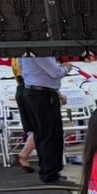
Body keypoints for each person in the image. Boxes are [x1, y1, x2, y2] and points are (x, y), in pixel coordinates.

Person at [17, 55, 68, 183]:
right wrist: (66, 68)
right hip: (42, 94)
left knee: (44, 134)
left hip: (36, 92)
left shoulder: (25, 52)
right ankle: (50, 173)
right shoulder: (39, 52)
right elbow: (56, 72)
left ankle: (50, 171)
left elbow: (22, 69)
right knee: (49, 134)